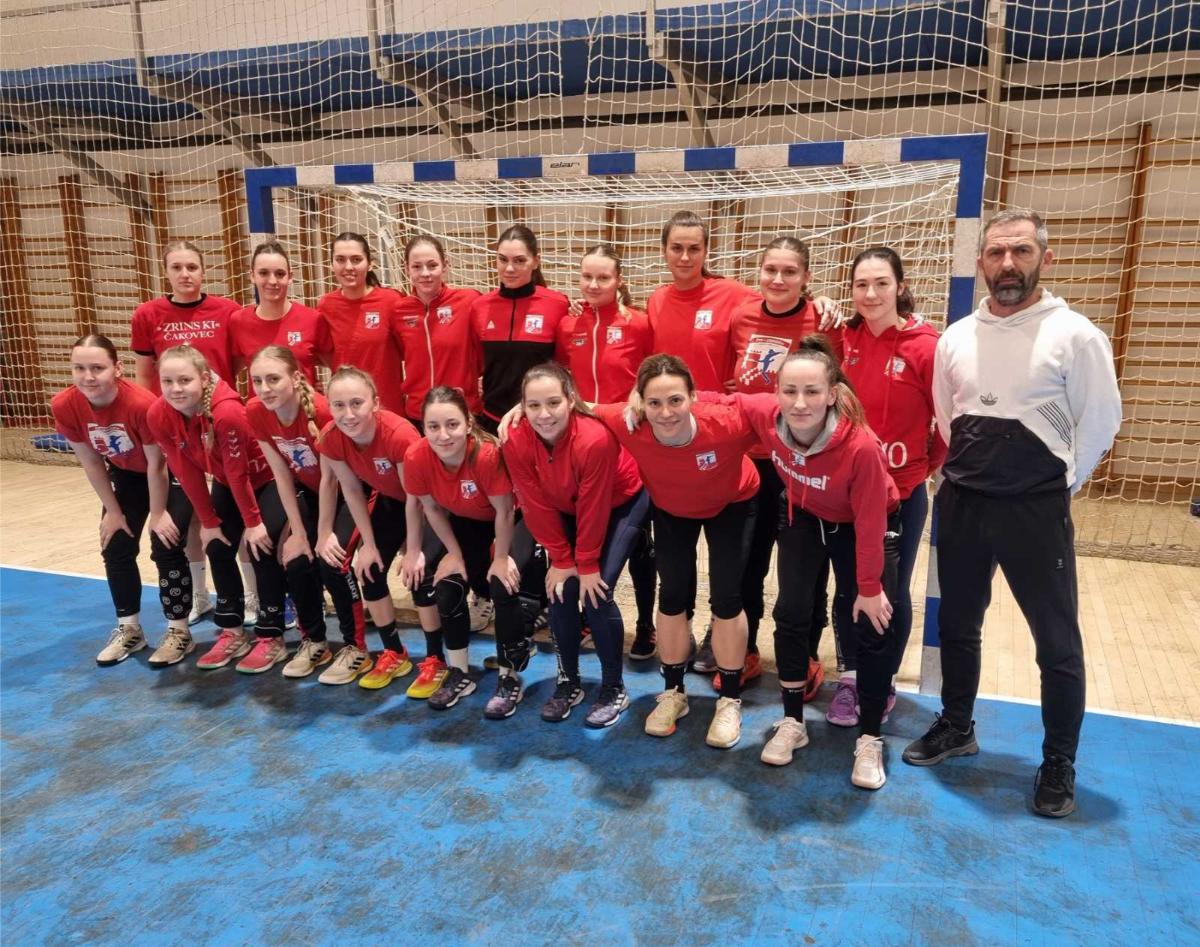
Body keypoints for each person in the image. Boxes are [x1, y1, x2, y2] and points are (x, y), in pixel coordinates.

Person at [902, 209, 1122, 818]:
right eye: (997, 252)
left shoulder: (1075, 335)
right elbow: (949, 417)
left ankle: (1059, 762)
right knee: (957, 625)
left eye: (1021, 251)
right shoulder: (956, 338)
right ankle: (957, 725)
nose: (1007, 264)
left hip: (1035, 512)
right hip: (964, 505)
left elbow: (1101, 423)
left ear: (1044, 259)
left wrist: (1052, 486)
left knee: (1056, 642)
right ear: (980, 262)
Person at [704, 338, 901, 787]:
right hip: (804, 515)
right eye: (789, 390)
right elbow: (723, 400)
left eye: (812, 391)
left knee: (870, 622)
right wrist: (654, 402)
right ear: (776, 392)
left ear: (832, 394)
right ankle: (793, 721)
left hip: (861, 525)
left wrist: (870, 588)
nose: (799, 402)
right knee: (790, 614)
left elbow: (871, 522)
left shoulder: (861, 447)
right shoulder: (767, 416)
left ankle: (870, 737)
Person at [598, 355, 760, 748]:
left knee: (727, 597)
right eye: (654, 403)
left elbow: (779, 410)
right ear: (640, 402)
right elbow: (575, 406)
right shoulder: (627, 421)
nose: (666, 412)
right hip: (672, 507)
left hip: (733, 502)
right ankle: (673, 693)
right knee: (671, 596)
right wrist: (520, 410)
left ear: (693, 397)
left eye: (676, 400)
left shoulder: (726, 423)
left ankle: (729, 700)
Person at [829, 247, 944, 726]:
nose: (871, 294)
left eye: (881, 283)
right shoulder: (842, 338)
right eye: (861, 284)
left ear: (900, 286)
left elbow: (949, 424)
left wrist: (920, 468)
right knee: (848, 587)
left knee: (891, 590)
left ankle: (883, 680)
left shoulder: (927, 347)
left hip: (902, 493)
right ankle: (850, 678)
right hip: (844, 492)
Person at [725, 236, 843, 696]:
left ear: (806, 277)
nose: (778, 279)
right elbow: (732, 385)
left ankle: (806, 656)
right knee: (746, 563)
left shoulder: (824, 320)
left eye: (789, 271)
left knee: (806, 569)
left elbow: (837, 390)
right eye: (770, 269)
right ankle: (746, 650)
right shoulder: (741, 317)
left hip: (804, 464)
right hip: (752, 464)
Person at [501, 363, 648, 727]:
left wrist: (586, 563)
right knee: (561, 589)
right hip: (565, 505)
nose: (544, 414)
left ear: (570, 400)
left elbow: (594, 506)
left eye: (553, 403)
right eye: (534, 405)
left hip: (620, 501)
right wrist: (562, 559)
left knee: (596, 592)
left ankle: (613, 688)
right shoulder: (515, 438)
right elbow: (534, 502)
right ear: (522, 407)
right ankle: (569, 682)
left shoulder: (594, 439)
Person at [399, 387, 535, 715]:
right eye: (433, 426)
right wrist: (454, 554)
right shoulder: (417, 456)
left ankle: (509, 676)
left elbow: (505, 511)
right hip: (466, 521)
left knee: (502, 583)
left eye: (452, 425)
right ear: (423, 427)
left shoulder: (486, 455)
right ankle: (460, 672)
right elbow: (431, 509)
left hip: (514, 519)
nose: (443, 435)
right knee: (447, 586)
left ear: (468, 423)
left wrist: (500, 558)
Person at [143, 345, 279, 670]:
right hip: (226, 482)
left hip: (266, 480)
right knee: (217, 546)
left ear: (204, 379)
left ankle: (271, 635)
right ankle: (232, 631)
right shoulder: (159, 414)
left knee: (261, 547)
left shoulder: (226, 411)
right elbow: (185, 470)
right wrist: (209, 522)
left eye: (185, 380)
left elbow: (238, 472)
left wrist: (253, 522)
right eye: (167, 381)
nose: (176, 389)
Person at [555, 245, 657, 658]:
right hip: (583, 447)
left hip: (633, 445)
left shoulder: (639, 323)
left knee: (641, 544)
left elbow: (653, 374)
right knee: (589, 531)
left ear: (619, 281)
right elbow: (559, 378)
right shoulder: (568, 325)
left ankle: (646, 625)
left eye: (603, 277)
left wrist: (636, 399)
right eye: (587, 277)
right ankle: (585, 616)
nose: (594, 285)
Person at [130, 239, 239, 625]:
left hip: (220, 427)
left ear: (203, 271)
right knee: (191, 514)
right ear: (166, 272)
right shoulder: (148, 314)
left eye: (192, 266)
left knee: (233, 512)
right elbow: (144, 376)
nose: (185, 274)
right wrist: (154, 429)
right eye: (176, 267)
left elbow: (240, 365)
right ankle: (200, 594)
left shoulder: (228, 311)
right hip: (175, 430)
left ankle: (253, 595)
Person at [244, 345, 368, 678]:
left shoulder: (324, 412)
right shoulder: (256, 411)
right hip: (310, 491)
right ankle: (314, 641)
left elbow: (332, 481)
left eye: (273, 379)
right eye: (257, 381)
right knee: (296, 560)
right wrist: (298, 533)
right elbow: (282, 474)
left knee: (332, 560)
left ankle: (356, 647)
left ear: (296, 378)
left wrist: (323, 534)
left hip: (351, 491)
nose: (265, 388)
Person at [51, 335, 169, 665]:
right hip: (126, 476)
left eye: (97, 368)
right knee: (115, 545)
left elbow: (158, 464)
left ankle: (179, 627)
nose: (88, 377)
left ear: (117, 369)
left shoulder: (141, 404)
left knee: (166, 544)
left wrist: (158, 513)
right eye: (79, 368)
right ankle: (129, 629)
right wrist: (114, 511)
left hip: (167, 472)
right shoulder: (65, 405)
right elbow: (92, 462)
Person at [315, 366, 420, 687]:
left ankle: (440, 657)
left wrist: (413, 548)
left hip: (429, 505)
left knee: (423, 575)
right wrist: (369, 546)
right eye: (339, 405)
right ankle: (395, 652)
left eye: (357, 403)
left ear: (375, 402)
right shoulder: (332, 437)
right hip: (391, 501)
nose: (348, 414)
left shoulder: (399, 434)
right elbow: (351, 491)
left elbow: (417, 499)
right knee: (369, 568)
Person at [470, 224, 570, 434]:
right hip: (492, 419)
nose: (509, 268)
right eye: (503, 259)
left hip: (541, 421)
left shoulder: (558, 304)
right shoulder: (480, 306)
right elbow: (478, 363)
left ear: (536, 261)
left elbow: (563, 365)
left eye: (519, 260)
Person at [389, 234, 483, 425]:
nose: (425, 273)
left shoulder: (469, 301)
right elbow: (401, 354)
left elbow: (487, 348)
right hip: (418, 413)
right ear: (406, 268)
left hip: (463, 410)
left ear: (445, 265)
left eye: (432, 265)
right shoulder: (398, 311)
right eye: (417, 266)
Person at [317, 232, 407, 413]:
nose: (348, 267)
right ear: (331, 264)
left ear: (370, 263)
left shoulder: (392, 301)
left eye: (356, 259)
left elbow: (410, 352)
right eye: (340, 260)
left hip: (388, 410)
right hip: (347, 413)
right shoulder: (326, 305)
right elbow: (323, 354)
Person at [230, 241, 332, 384]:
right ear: (252, 276)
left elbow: (336, 366)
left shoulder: (313, 319)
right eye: (263, 273)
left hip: (305, 399)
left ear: (290, 277)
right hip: (259, 400)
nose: (272, 281)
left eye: (280, 274)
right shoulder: (239, 321)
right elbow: (229, 371)